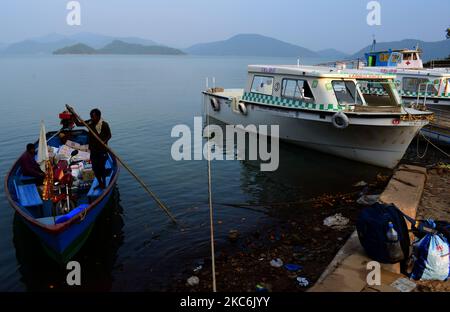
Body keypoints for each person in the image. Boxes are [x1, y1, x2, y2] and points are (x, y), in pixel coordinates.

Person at [76, 108, 112, 189]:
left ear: (99, 116)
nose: (92, 118)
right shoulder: (90, 122)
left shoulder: (104, 124)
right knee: (95, 168)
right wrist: (73, 115)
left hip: (102, 150)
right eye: (91, 116)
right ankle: (100, 183)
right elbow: (78, 124)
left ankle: (104, 182)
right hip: (93, 149)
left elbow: (109, 135)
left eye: (94, 117)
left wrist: (104, 142)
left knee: (101, 167)